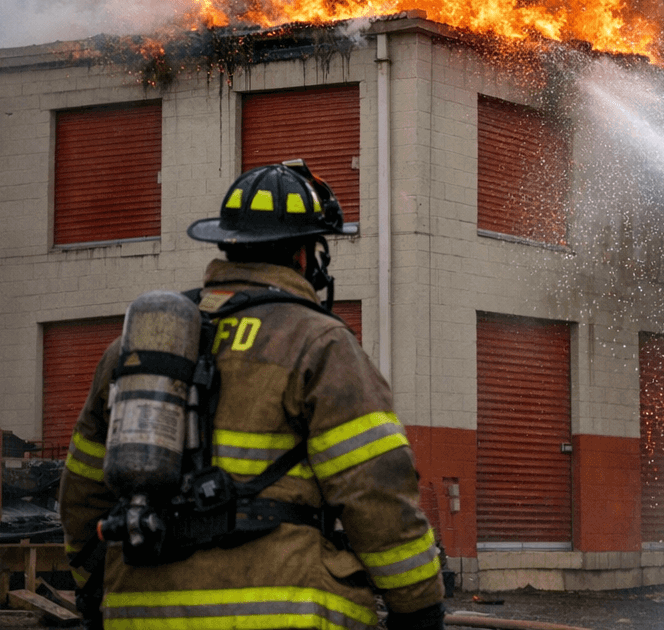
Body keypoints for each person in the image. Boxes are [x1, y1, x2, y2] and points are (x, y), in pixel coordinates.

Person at [59, 161, 445, 630]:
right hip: (281, 610)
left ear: (228, 245)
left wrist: (94, 589)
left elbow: (81, 492)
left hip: (139, 611)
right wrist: (419, 609)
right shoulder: (319, 342)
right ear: (304, 255)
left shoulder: (137, 346)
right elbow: (376, 491)